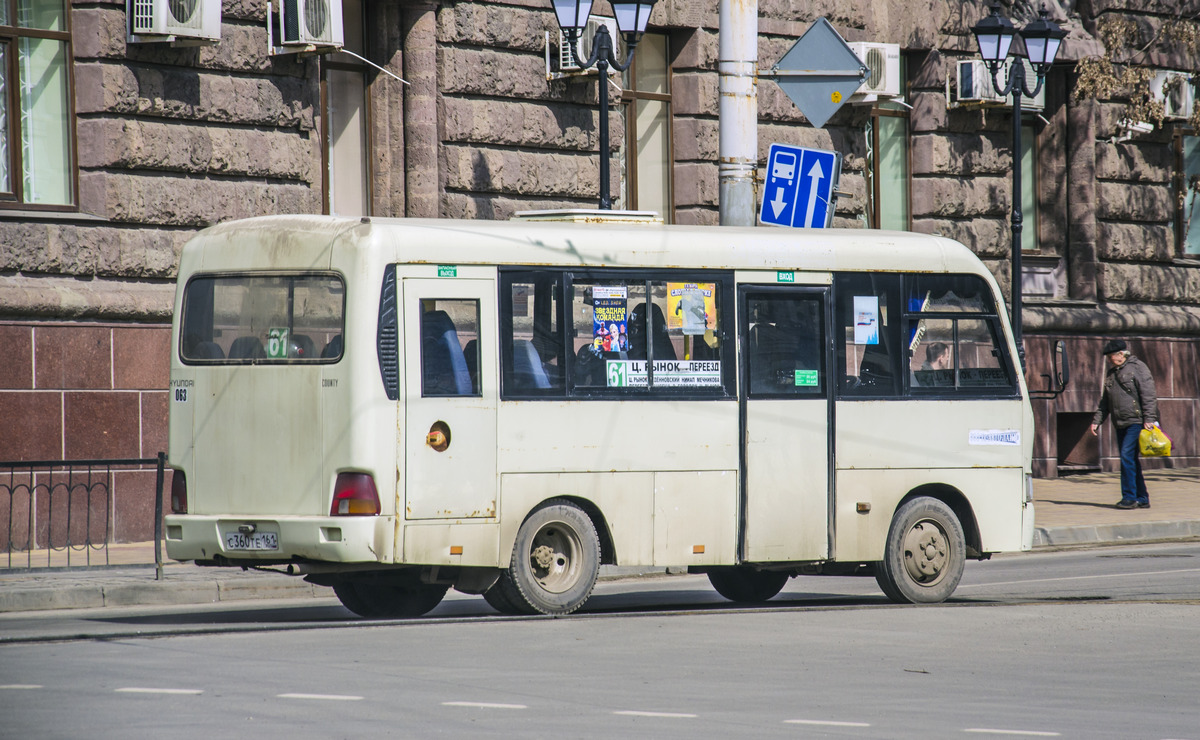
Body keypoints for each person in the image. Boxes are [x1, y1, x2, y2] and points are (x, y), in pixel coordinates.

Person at [1090, 339, 1158, 509]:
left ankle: (1129, 498)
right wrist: (1096, 421)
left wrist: (1149, 418)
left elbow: (1149, 394)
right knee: (1131, 459)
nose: (1109, 360)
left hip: (1136, 421)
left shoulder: (1138, 367)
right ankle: (1142, 498)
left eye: (1111, 356)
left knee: (1127, 457)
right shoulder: (1112, 373)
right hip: (1120, 422)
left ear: (1121, 354)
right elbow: (1105, 401)